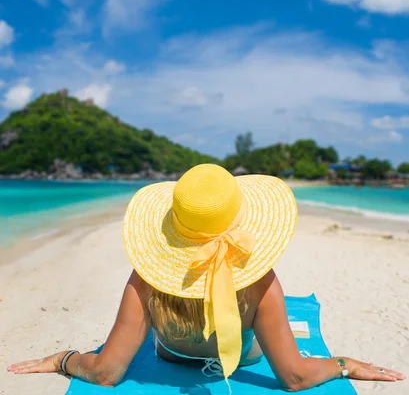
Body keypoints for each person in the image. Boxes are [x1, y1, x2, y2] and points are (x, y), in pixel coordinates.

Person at [8, 164, 405, 391]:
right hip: (243, 359)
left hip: (171, 355)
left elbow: (105, 372)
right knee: (282, 330)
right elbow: (296, 376)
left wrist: (61, 359)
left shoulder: (146, 277)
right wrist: (343, 364)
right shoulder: (260, 281)